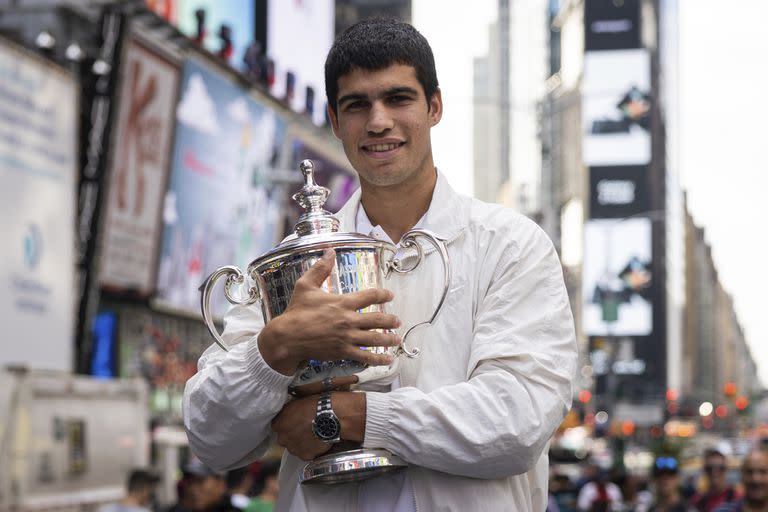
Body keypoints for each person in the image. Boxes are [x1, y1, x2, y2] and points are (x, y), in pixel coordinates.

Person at [183, 17, 577, 511]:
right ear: (334, 120)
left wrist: (353, 416)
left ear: (434, 106)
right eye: (356, 105)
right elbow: (211, 439)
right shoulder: (295, 264)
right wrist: (276, 348)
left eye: (398, 99)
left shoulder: (510, 245)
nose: (377, 122)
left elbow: (518, 420)